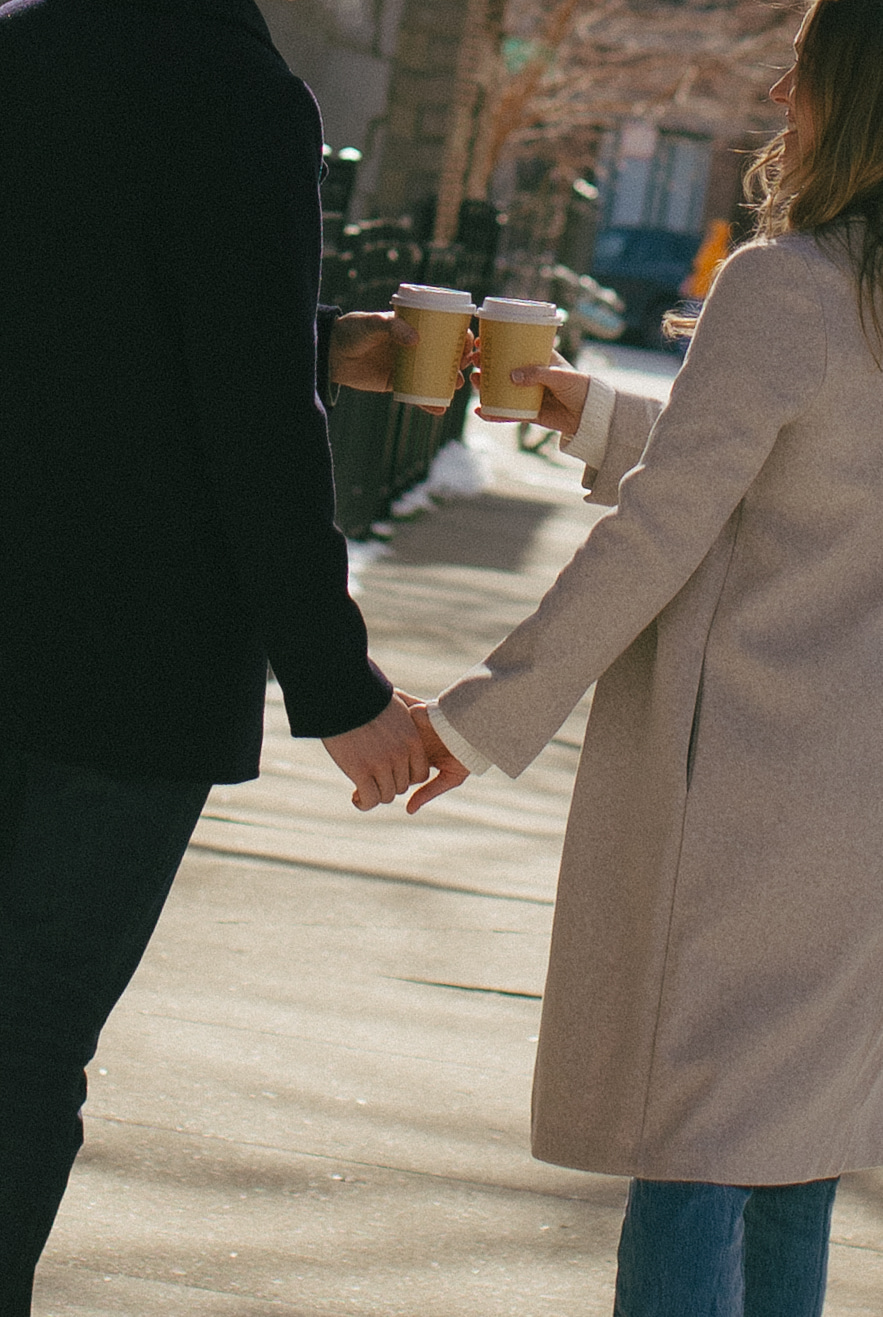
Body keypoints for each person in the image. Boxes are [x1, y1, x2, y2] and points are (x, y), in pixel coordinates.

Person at [402, 0, 883, 1311]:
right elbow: (813, 469)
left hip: (741, 800)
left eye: (811, 67)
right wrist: (607, 414)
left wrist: (479, 713)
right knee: (793, 1154)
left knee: (697, 1142)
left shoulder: (788, 282)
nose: (784, 89)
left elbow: (670, 528)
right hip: (863, 810)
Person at [0, 0, 466, 1306]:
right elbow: (247, 414)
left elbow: (82, 311)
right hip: (126, 670)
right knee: (25, 1052)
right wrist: (341, 690)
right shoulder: (240, 96)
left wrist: (320, 339)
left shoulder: (25, 52)